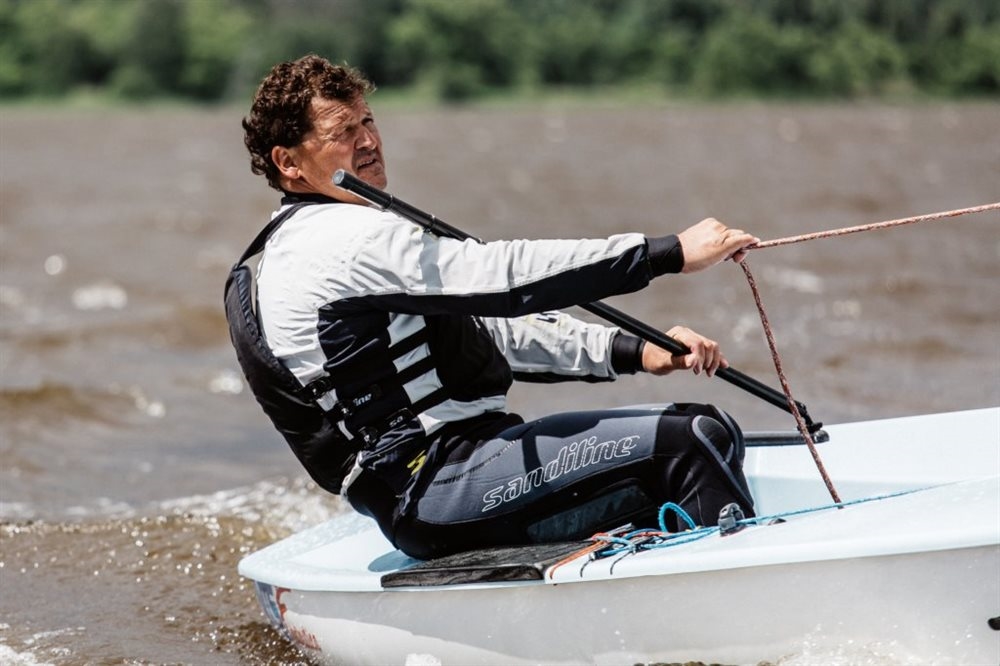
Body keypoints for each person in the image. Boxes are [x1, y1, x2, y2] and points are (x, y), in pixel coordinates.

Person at [231, 54, 759, 560]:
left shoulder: (317, 239)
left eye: (368, 121)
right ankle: (738, 595)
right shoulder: (339, 242)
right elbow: (504, 278)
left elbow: (488, 332)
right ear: (289, 162)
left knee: (713, 436)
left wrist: (638, 350)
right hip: (435, 483)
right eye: (343, 132)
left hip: (462, 469)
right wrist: (668, 252)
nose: (368, 141)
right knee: (694, 439)